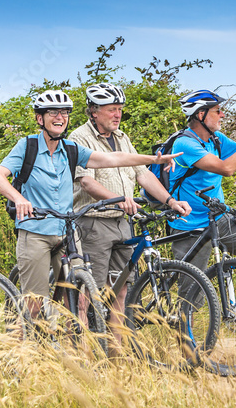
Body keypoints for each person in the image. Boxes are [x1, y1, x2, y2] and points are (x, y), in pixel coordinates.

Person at [0, 89, 180, 309]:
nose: (60, 117)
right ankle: (27, 339)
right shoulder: (27, 146)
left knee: (77, 291)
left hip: (66, 232)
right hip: (35, 231)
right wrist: (19, 198)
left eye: (64, 113)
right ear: (40, 118)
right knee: (36, 303)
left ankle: (72, 339)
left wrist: (155, 158)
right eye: (53, 113)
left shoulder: (71, 149)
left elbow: (113, 158)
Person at [69, 83, 191, 342]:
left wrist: (170, 201)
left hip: (123, 222)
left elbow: (143, 174)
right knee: (88, 292)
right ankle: (80, 352)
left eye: (120, 109)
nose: (117, 114)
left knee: (120, 290)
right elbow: (86, 181)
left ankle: (117, 355)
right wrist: (117, 199)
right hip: (93, 222)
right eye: (112, 109)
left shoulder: (122, 137)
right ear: (93, 111)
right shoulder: (80, 138)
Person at [167, 90, 236, 273]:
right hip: (190, 224)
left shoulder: (216, 139)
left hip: (217, 218)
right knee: (193, 291)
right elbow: (227, 168)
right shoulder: (185, 144)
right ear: (201, 114)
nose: (223, 115)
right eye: (217, 111)